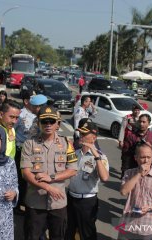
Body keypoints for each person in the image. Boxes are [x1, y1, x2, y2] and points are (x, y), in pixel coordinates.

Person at [21, 106, 78, 240]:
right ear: (38, 123)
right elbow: (26, 173)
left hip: (58, 204)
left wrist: (51, 177)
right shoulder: (29, 144)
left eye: (51, 121)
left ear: (57, 123)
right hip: (35, 202)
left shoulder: (66, 144)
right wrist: (48, 187)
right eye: (44, 121)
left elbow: (73, 169)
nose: (48, 124)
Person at [66, 121, 109, 240]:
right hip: (71, 198)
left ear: (94, 137)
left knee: (87, 233)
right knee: (68, 230)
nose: (81, 136)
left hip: (87, 202)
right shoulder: (75, 153)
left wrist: (96, 155)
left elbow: (105, 177)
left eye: (84, 134)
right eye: (80, 133)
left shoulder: (100, 157)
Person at [119, 143, 152, 240]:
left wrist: (150, 207)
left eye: (149, 157)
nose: (146, 160)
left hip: (146, 227)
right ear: (135, 158)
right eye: (142, 157)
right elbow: (123, 192)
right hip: (127, 224)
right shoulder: (129, 173)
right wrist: (139, 174)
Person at [15, 93, 48, 213]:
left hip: (38, 156)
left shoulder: (42, 120)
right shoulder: (37, 119)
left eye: (34, 106)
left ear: (38, 107)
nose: (32, 108)